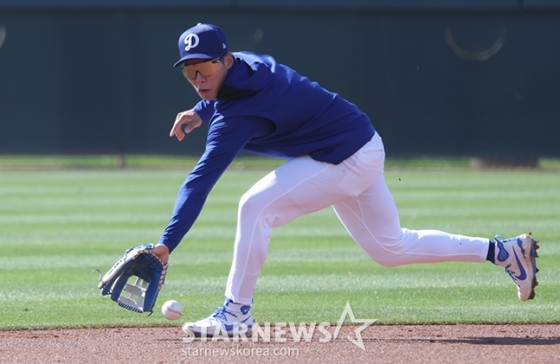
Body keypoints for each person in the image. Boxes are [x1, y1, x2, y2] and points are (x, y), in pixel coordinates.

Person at [151, 23, 538, 336]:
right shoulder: (249, 65)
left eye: (205, 68)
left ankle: (236, 312)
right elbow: (223, 93)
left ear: (227, 61)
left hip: (345, 156)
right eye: (189, 71)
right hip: (361, 143)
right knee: (390, 248)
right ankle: (503, 252)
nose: (198, 77)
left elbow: (199, 181)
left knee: (255, 206)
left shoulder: (235, 118)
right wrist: (202, 109)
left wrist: (167, 243)